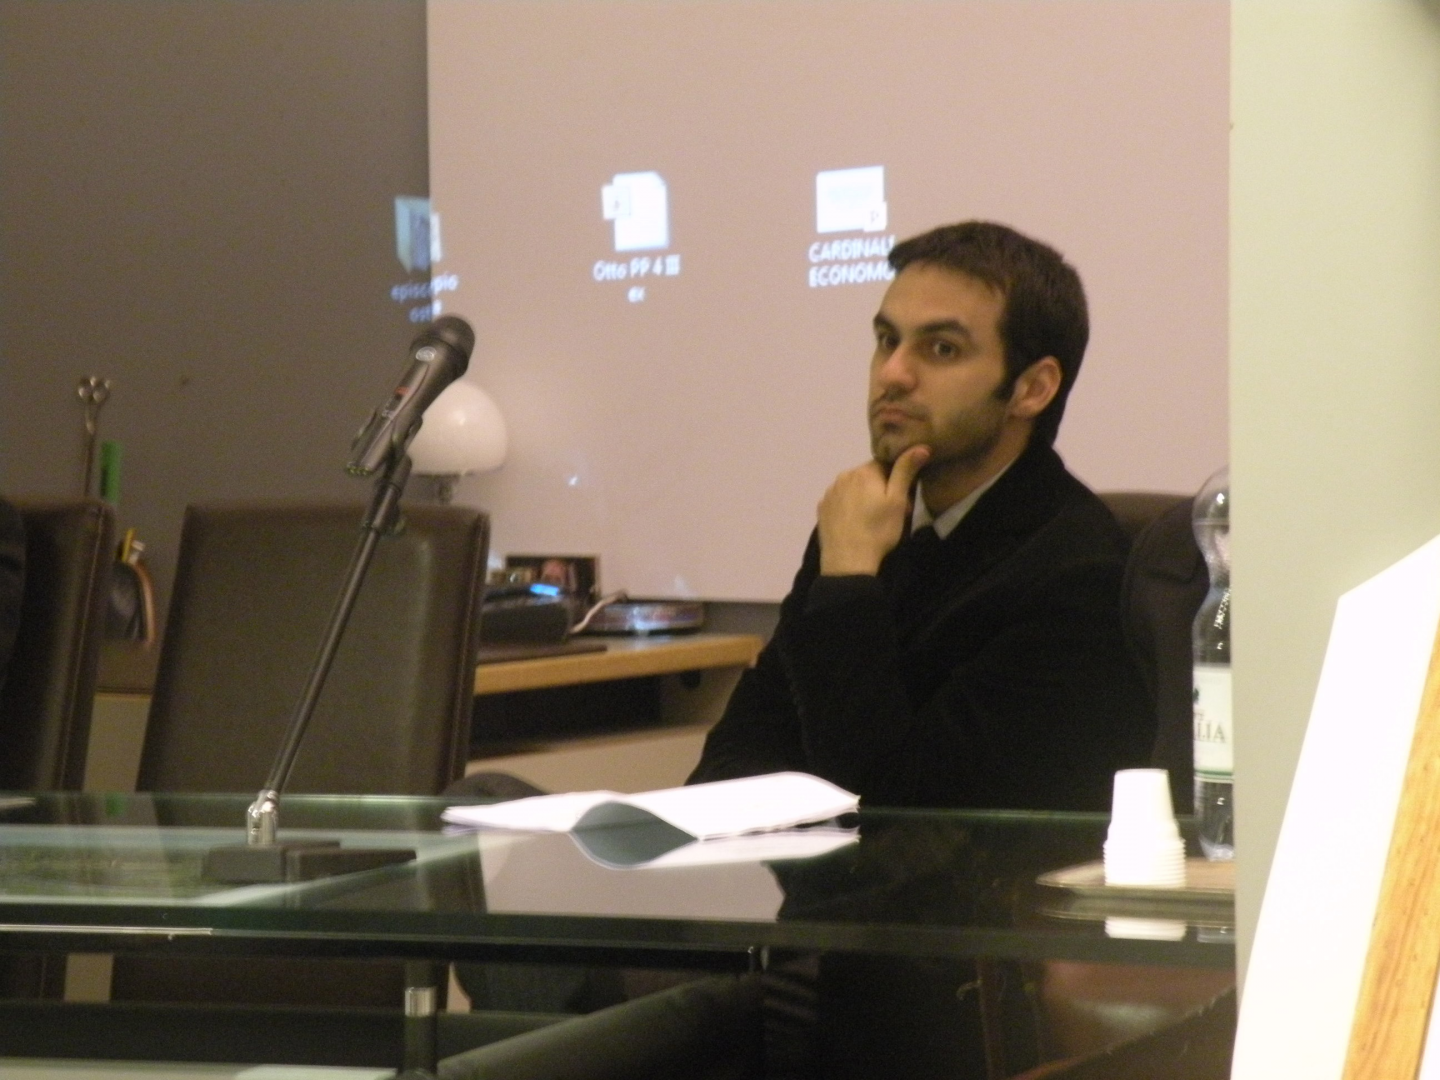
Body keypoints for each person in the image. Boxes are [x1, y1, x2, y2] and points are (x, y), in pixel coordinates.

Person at [689, 221, 1153, 811]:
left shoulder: (1078, 578)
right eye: (887, 340)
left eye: (941, 349)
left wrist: (849, 584)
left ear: (1032, 389)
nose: (892, 374)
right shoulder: (867, 522)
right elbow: (737, 754)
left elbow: (905, 812)